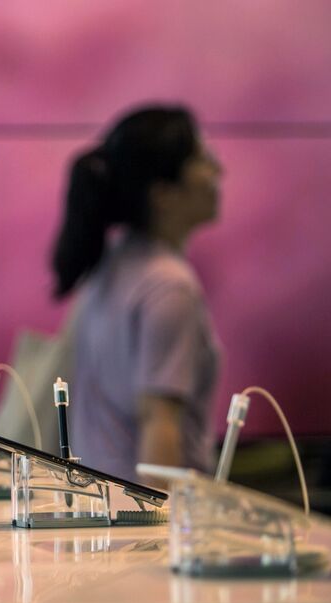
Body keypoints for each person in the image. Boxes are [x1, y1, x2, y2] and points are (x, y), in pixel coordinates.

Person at [51, 105, 223, 481]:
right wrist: (159, 534)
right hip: (145, 516)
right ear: (163, 192)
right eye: (202, 160)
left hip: (103, 504)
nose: (218, 172)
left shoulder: (107, 266)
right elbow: (159, 422)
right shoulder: (169, 286)